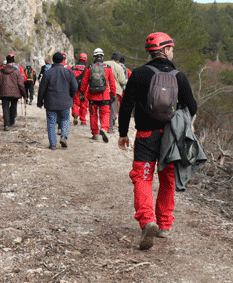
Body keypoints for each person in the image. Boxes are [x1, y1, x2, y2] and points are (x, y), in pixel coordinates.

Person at [118, 32, 197, 250]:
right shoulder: (179, 76)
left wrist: (123, 133)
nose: (173, 52)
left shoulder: (140, 74)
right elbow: (193, 107)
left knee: (142, 177)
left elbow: (126, 106)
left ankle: (147, 221)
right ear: (165, 50)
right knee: (168, 179)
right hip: (170, 139)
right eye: (172, 49)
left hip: (145, 136)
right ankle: (163, 225)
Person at [36, 52, 78, 150]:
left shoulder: (48, 73)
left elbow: (42, 89)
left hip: (51, 103)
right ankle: (63, 136)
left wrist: (39, 102)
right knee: (65, 119)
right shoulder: (69, 72)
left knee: (51, 122)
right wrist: (71, 96)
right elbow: (75, 87)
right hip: (65, 102)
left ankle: (53, 144)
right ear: (63, 60)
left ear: (53, 61)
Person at [79, 48, 116, 143]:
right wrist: (113, 94)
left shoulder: (89, 67)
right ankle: (104, 128)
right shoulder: (107, 67)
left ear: (94, 57)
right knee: (105, 113)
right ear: (102, 57)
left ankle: (95, 133)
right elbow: (112, 82)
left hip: (92, 96)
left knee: (93, 114)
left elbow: (84, 82)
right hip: (105, 96)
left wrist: (82, 93)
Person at [0, 54, 26, 131]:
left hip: (4, 93)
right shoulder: (16, 72)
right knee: (13, 106)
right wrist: (24, 94)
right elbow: (21, 84)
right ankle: (11, 121)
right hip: (15, 93)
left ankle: (6, 124)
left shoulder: (1, 71)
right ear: (13, 63)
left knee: (5, 108)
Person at [105, 52, 128, 133]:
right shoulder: (119, 67)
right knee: (112, 109)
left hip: (104, 89)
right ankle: (110, 127)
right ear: (118, 60)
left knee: (104, 108)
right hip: (115, 90)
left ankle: (103, 125)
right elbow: (122, 81)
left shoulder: (104, 63)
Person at [71, 52, 89, 125]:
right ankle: (83, 120)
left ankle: (75, 113)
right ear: (86, 59)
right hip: (84, 88)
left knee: (75, 103)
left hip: (75, 87)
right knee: (83, 104)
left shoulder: (73, 67)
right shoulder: (87, 68)